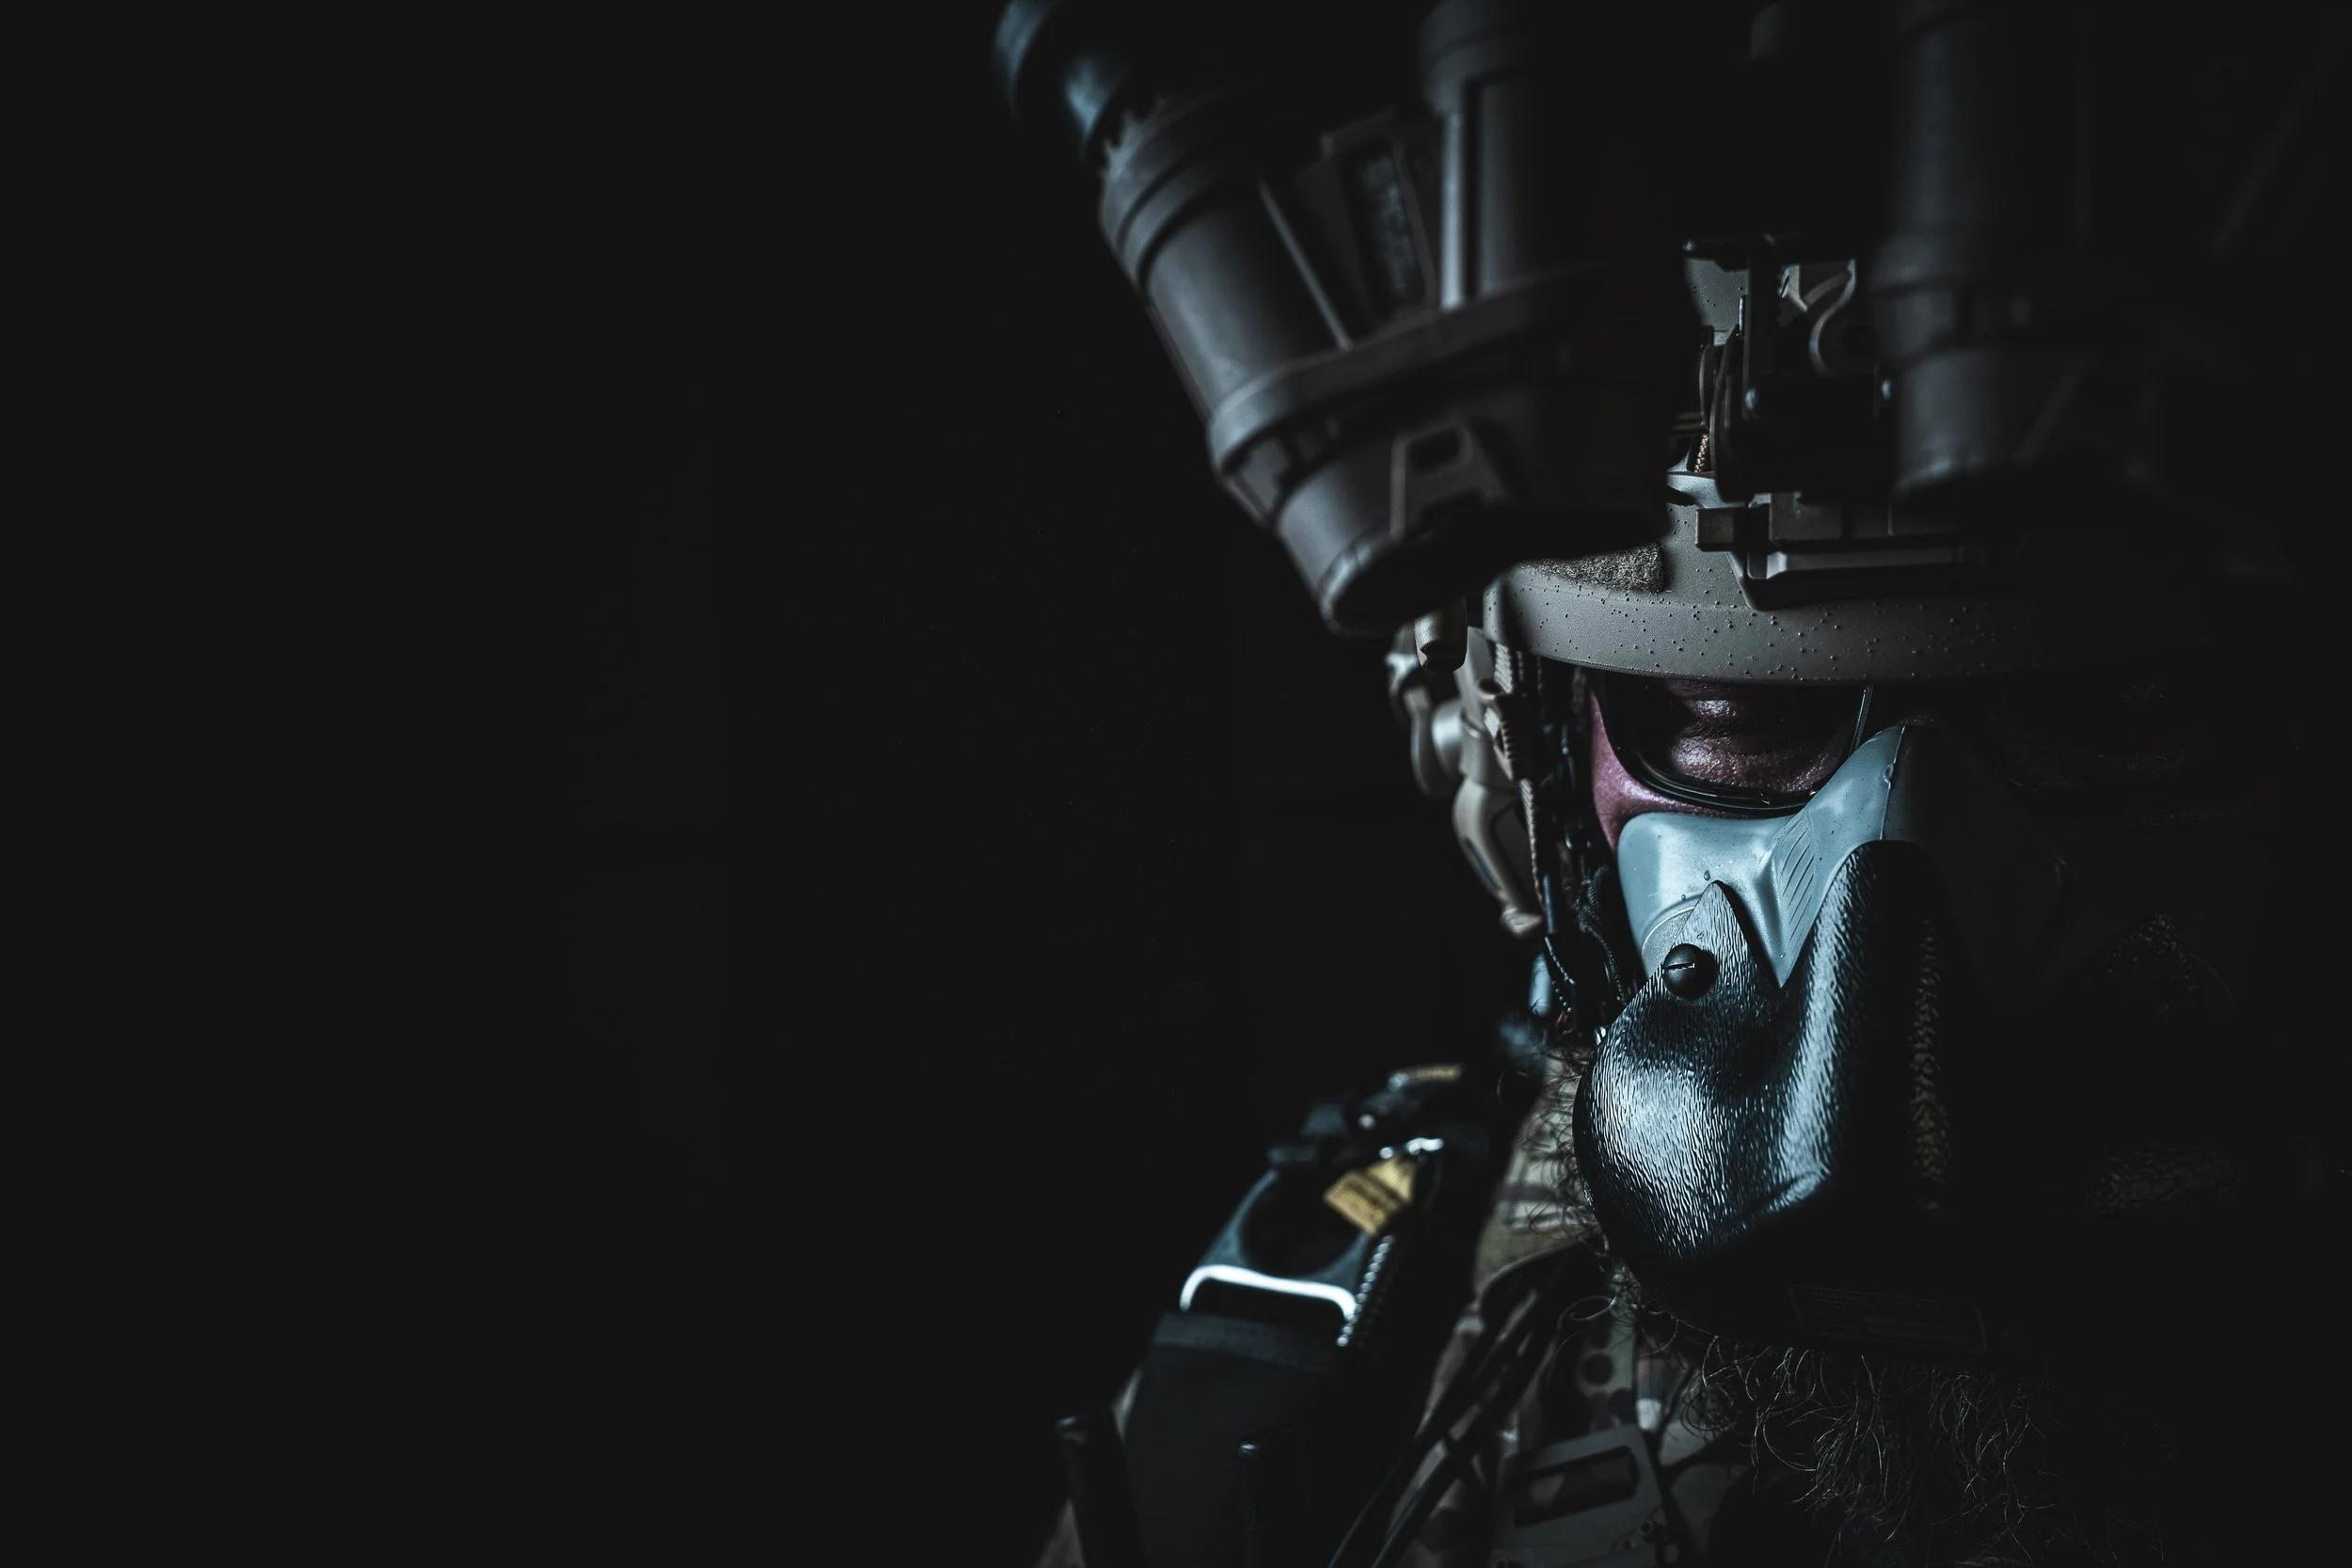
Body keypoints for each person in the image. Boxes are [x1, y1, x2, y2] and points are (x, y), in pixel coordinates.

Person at [1000, 1, 2345, 1562]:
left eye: (2104, 719)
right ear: (1522, 772)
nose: (1885, 979)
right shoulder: (1339, 1377)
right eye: (1733, 718)